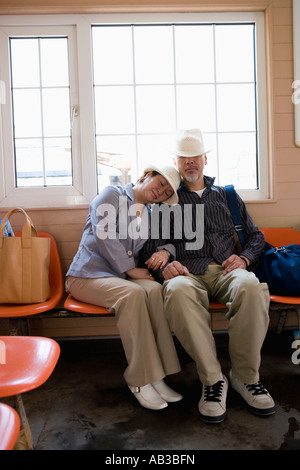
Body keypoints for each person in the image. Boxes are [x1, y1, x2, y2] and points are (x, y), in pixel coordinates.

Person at [142, 129, 275, 423]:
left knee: (252, 287)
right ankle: (213, 380)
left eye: (195, 157)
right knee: (176, 291)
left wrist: (243, 258)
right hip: (187, 273)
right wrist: (165, 265)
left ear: (205, 159)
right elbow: (151, 249)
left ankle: (245, 377)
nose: (190, 163)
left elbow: (256, 238)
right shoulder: (166, 201)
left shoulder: (226, 195)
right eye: (183, 158)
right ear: (175, 162)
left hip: (228, 270)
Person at [66, 165, 182, 411]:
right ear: (146, 176)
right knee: (133, 294)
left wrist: (166, 251)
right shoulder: (112, 195)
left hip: (117, 277)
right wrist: (130, 269)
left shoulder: (151, 213)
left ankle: (157, 375)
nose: (160, 191)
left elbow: (167, 241)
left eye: (166, 191)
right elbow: (104, 234)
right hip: (87, 276)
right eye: (159, 183)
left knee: (152, 290)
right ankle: (138, 379)